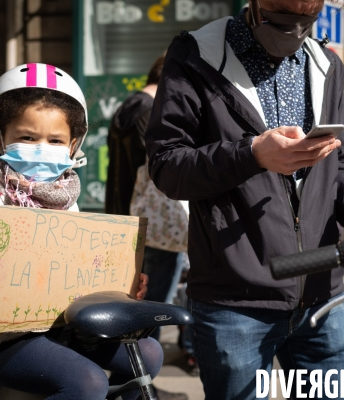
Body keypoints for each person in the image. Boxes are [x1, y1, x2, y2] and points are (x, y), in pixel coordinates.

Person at [144, 1, 344, 398]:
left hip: (323, 297)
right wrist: (251, 153)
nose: (292, 30)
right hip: (234, 302)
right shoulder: (196, 53)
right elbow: (167, 166)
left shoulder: (327, 64)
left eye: (306, 19)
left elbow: (340, 166)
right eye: (280, 16)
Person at [0, 64, 162, 400]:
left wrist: (119, 283)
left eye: (55, 140)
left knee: (148, 355)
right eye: (27, 137)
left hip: (62, 327)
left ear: (74, 144)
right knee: (87, 382)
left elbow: (76, 268)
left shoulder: (63, 196)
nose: (41, 148)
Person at [106, 55, 196, 378]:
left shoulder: (125, 109)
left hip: (127, 216)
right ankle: (142, 382)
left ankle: (138, 379)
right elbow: (162, 169)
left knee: (140, 305)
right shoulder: (151, 112)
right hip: (157, 226)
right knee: (153, 311)